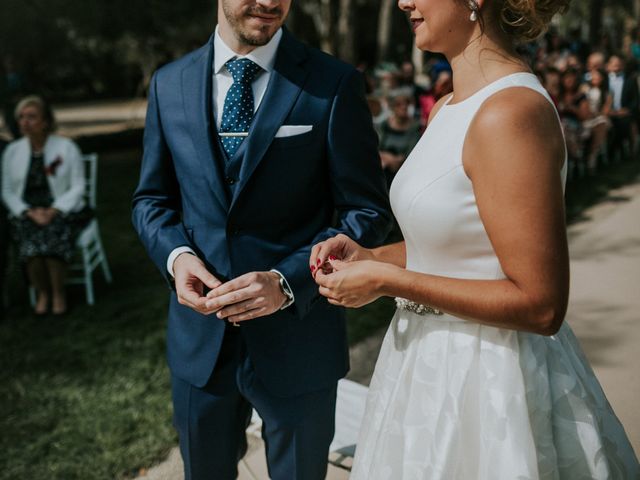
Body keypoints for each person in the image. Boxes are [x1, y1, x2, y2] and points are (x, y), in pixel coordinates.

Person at [311, 0, 640, 478]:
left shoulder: (510, 112)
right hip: (423, 368)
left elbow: (541, 305)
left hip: (490, 379)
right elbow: (458, 242)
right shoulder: (448, 104)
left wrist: (387, 282)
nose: (403, 1)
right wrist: (372, 255)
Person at [131, 0, 391, 479]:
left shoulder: (332, 82)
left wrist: (288, 280)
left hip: (300, 339)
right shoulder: (170, 84)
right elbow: (151, 200)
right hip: (200, 345)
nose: (271, 2)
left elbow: (366, 211)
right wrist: (177, 257)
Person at [1, 96, 91, 316]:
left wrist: (54, 210)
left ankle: (58, 293)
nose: (25, 122)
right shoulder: (12, 151)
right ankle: (43, 292)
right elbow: (6, 191)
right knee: (30, 242)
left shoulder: (66, 147)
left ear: (46, 121)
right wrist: (27, 212)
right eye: (21, 117)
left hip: (62, 210)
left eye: (31, 117)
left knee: (52, 235)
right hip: (27, 211)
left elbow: (78, 186)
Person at [378, 89, 421, 185]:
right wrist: (389, 159)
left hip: (404, 172)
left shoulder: (415, 126)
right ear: (392, 107)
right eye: (399, 104)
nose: (404, 107)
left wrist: (392, 160)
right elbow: (376, 148)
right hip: (384, 169)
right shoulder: (384, 125)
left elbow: (411, 155)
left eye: (406, 103)